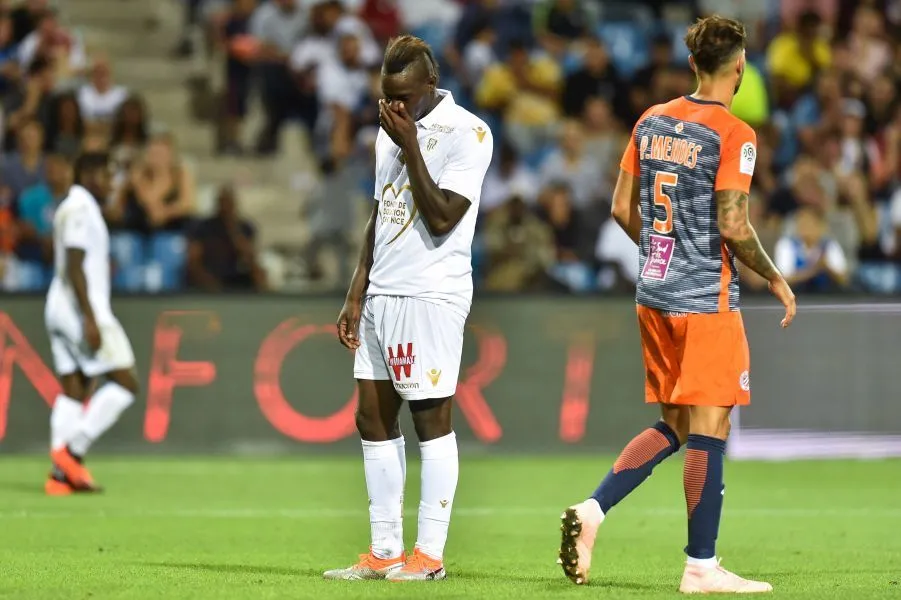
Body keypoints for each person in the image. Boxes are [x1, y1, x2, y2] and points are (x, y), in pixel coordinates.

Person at [558, 16, 796, 594]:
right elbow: (733, 224)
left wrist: (663, 254)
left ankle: (592, 510)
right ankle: (701, 567)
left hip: (654, 295)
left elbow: (621, 209)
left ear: (693, 64)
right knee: (711, 428)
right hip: (705, 302)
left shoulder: (651, 120)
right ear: (740, 67)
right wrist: (773, 276)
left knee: (675, 425)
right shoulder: (735, 134)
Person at [327, 35, 493, 582]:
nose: (394, 106)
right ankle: (384, 551)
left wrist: (412, 145)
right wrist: (357, 290)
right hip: (383, 290)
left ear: (430, 84)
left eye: (404, 96)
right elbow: (382, 210)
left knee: (430, 419)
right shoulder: (389, 128)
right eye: (386, 96)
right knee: (371, 417)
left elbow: (443, 217)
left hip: (430, 292)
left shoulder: (469, 133)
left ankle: (430, 555)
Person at [43, 152, 139, 495]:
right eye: (107, 175)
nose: (111, 183)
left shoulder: (70, 206)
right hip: (80, 308)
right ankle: (72, 452)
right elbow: (75, 264)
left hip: (57, 306)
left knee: (74, 389)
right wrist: (89, 316)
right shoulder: (82, 209)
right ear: (88, 174)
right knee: (126, 383)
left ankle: (60, 478)